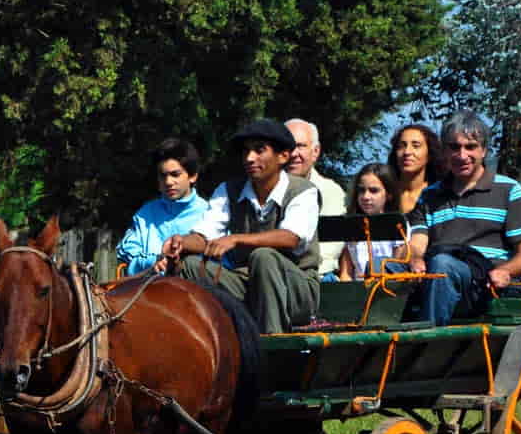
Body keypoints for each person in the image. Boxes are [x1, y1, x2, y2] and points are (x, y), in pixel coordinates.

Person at [157, 119, 320, 334]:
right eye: (246, 151)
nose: (249, 158)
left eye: (259, 150)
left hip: (296, 291)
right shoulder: (228, 189)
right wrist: (180, 242)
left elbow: (291, 237)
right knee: (189, 265)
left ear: (283, 156)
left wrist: (235, 239)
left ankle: (272, 345)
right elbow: (204, 236)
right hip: (247, 284)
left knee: (264, 257)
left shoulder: (303, 191)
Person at [402, 110, 521, 325]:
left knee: (443, 265)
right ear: (445, 152)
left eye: (471, 147)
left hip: (485, 285)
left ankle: (427, 343)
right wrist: (415, 258)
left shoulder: (508, 190)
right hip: (435, 275)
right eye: (454, 147)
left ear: (484, 150)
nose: (462, 155)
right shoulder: (430, 196)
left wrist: (504, 271)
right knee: (386, 268)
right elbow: (418, 242)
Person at [116, 138, 210, 275]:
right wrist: (154, 262)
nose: (168, 182)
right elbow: (126, 254)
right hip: (146, 290)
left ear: (193, 176)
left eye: (175, 174)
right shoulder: (145, 214)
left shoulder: (209, 214)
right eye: (162, 176)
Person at [285, 118, 348, 279]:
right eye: (288, 146)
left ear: (315, 151)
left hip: (315, 280)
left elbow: (327, 254)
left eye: (300, 146)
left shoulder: (331, 192)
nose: (293, 154)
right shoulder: (265, 189)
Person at [338, 163, 404, 281]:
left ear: (389, 194)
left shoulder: (398, 224)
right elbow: (346, 273)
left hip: (386, 289)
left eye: (374, 191)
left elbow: (397, 268)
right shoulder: (351, 225)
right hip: (357, 292)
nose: (366, 196)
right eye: (361, 190)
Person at [387, 124, 444, 213]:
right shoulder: (385, 194)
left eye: (416, 146)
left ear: (429, 154)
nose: (407, 152)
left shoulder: (440, 194)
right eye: (401, 146)